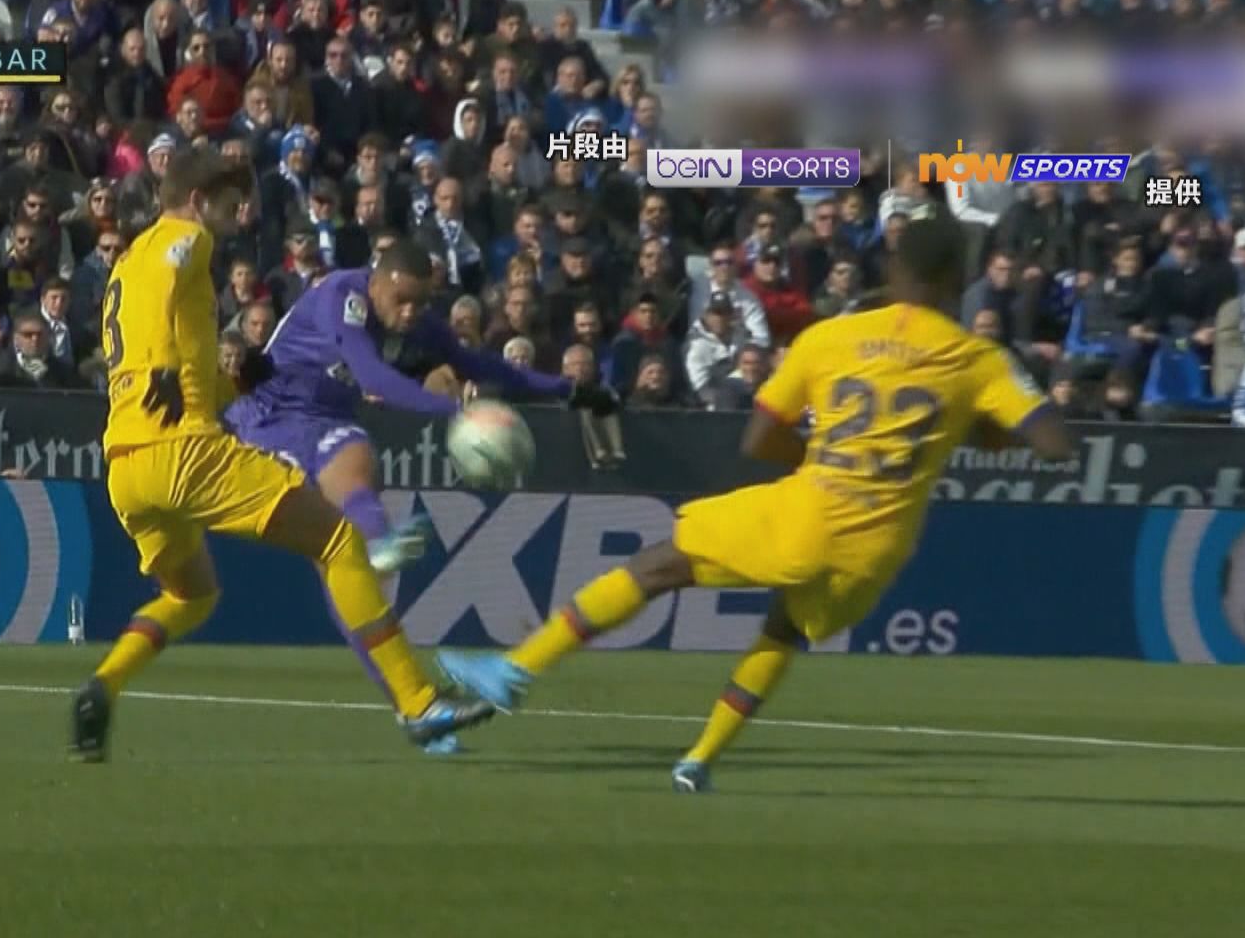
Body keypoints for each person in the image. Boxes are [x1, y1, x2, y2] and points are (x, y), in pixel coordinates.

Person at [438, 218, 1076, 792]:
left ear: (892, 269)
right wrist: (979, 425)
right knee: (784, 629)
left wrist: (821, 458)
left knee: (658, 565)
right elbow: (1056, 446)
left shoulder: (831, 337)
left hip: (811, 508)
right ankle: (699, 760)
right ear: (958, 279)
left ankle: (515, 669)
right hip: (877, 550)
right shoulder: (977, 359)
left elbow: (759, 439)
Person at [70, 152, 500, 764]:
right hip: (185, 452)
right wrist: (166, 365)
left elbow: (166, 356)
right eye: (230, 203)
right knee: (340, 544)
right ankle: (418, 702)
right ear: (198, 201)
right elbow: (167, 300)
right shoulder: (184, 238)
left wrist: (235, 383)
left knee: (192, 596)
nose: (239, 214)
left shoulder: (127, 261)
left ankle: (102, 685)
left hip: (126, 466)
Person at [225, 240, 611, 579]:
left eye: (421, 302)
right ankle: (374, 541)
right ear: (376, 284)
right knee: (345, 479)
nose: (412, 312)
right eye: (402, 300)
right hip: (271, 411)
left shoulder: (417, 323)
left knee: (352, 487)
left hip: (327, 417)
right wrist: (455, 411)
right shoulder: (341, 297)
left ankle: (378, 543)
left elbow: (480, 364)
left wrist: (569, 389)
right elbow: (373, 377)